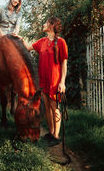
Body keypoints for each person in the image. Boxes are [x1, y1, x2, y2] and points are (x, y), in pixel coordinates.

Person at [18, 16, 68, 145]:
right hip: (43, 80)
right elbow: (28, 48)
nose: (43, 25)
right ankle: (51, 133)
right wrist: (21, 39)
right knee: (47, 107)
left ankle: (56, 136)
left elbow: (64, 64)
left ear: (51, 25)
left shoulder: (61, 42)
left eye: (46, 23)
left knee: (55, 107)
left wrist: (62, 82)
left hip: (55, 81)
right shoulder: (42, 42)